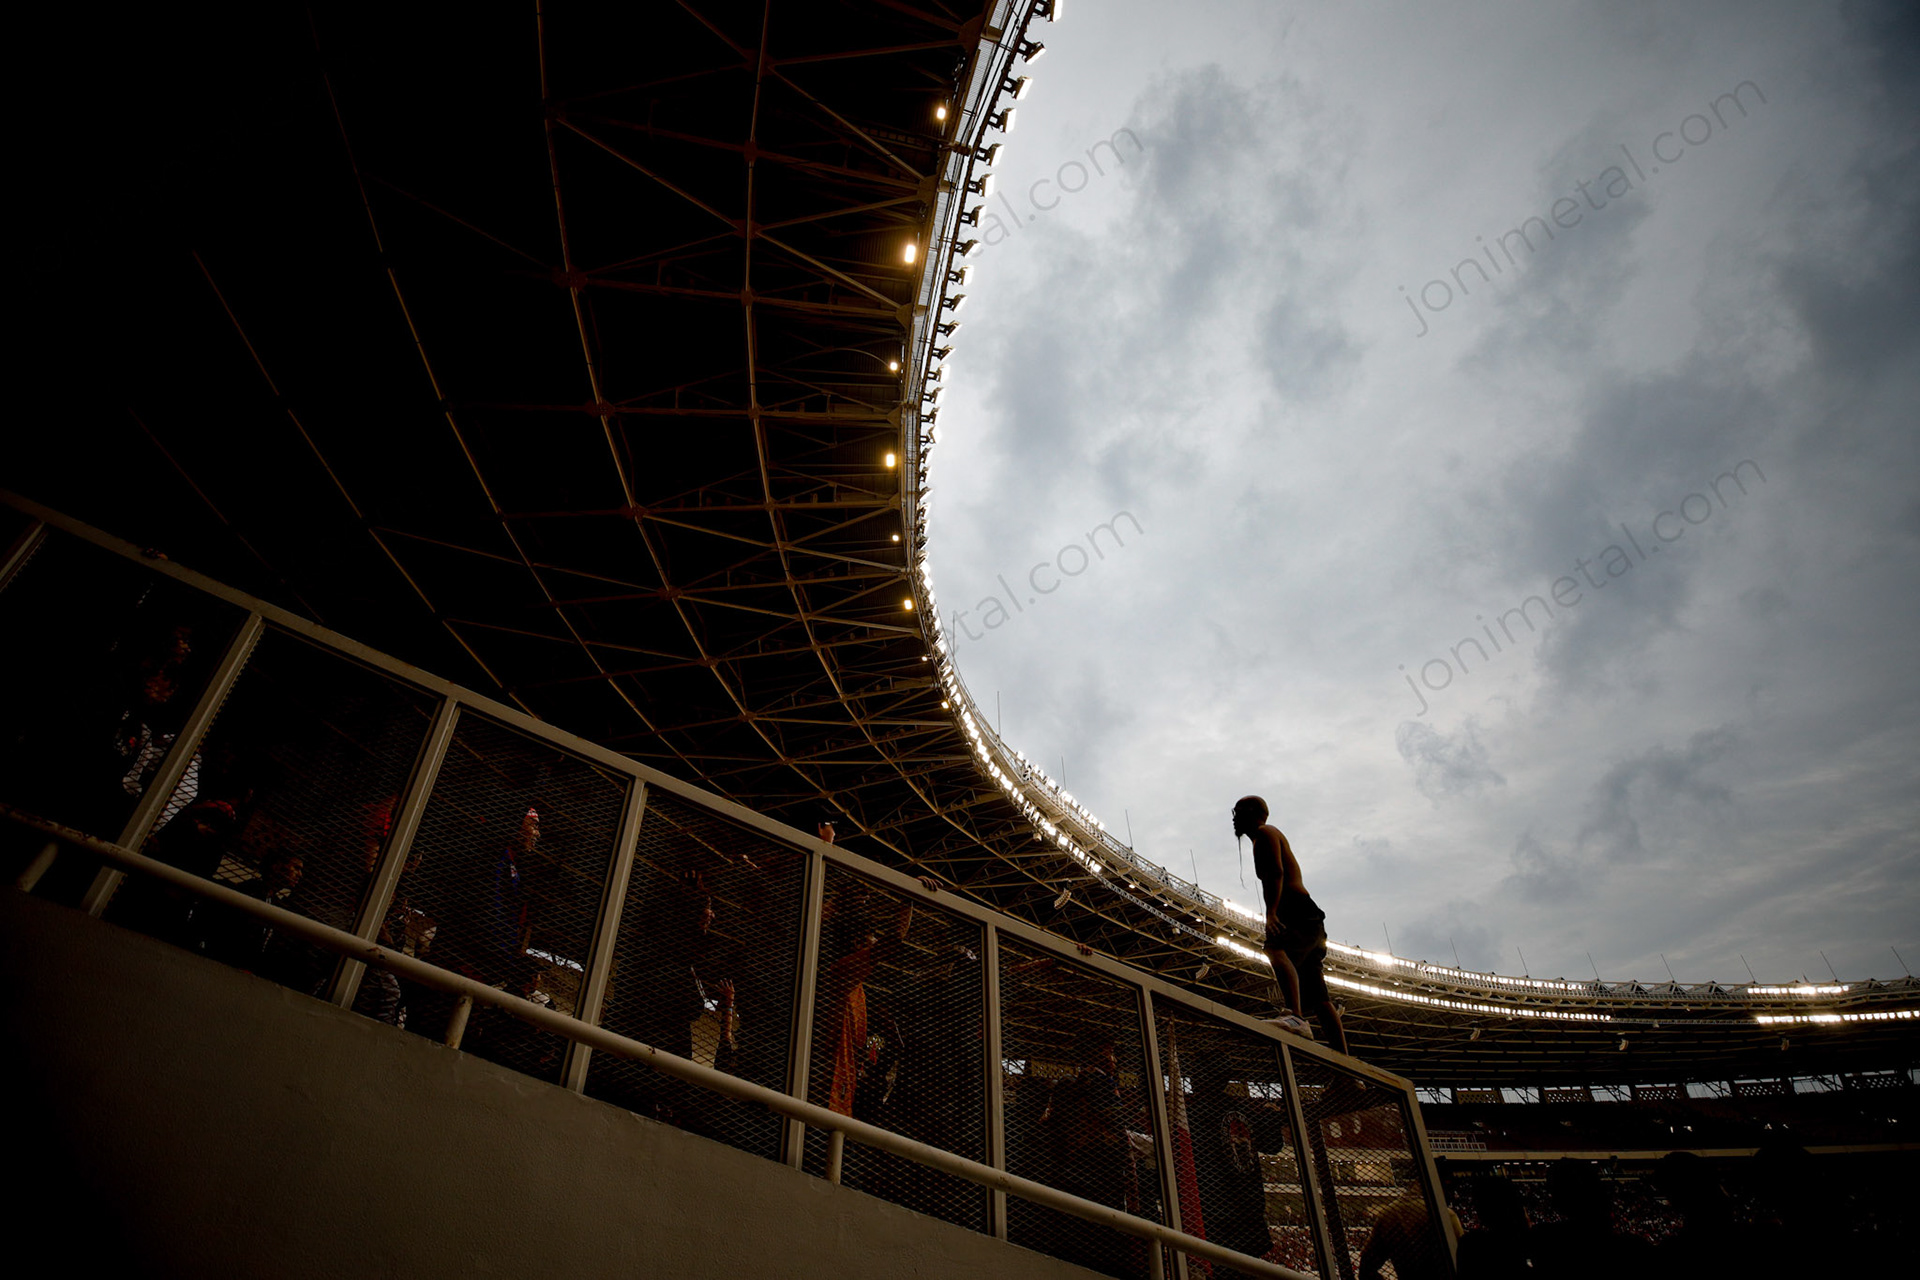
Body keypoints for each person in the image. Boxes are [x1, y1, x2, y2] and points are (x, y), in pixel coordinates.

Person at [1232, 795, 1347, 1054]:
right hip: (1308, 916)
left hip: (1296, 910)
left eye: (1238, 811)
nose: (1234, 818)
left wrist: (1271, 914)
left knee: (1275, 949)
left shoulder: (1265, 832)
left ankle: (1295, 1016)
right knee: (1319, 996)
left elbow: (1275, 873)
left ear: (1254, 812)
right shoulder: (1264, 836)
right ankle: (1347, 1066)